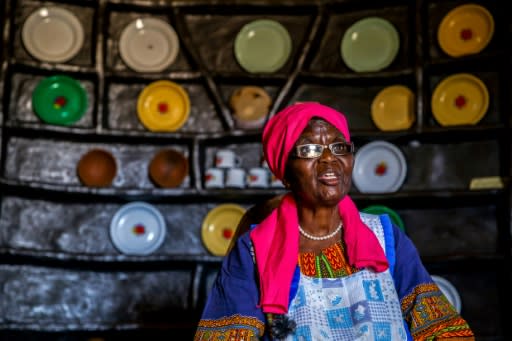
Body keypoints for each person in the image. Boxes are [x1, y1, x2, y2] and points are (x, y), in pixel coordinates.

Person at [194, 102, 474, 340]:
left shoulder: (386, 237)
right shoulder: (253, 251)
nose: (330, 159)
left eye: (340, 147)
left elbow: (441, 328)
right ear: (286, 172)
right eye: (310, 151)